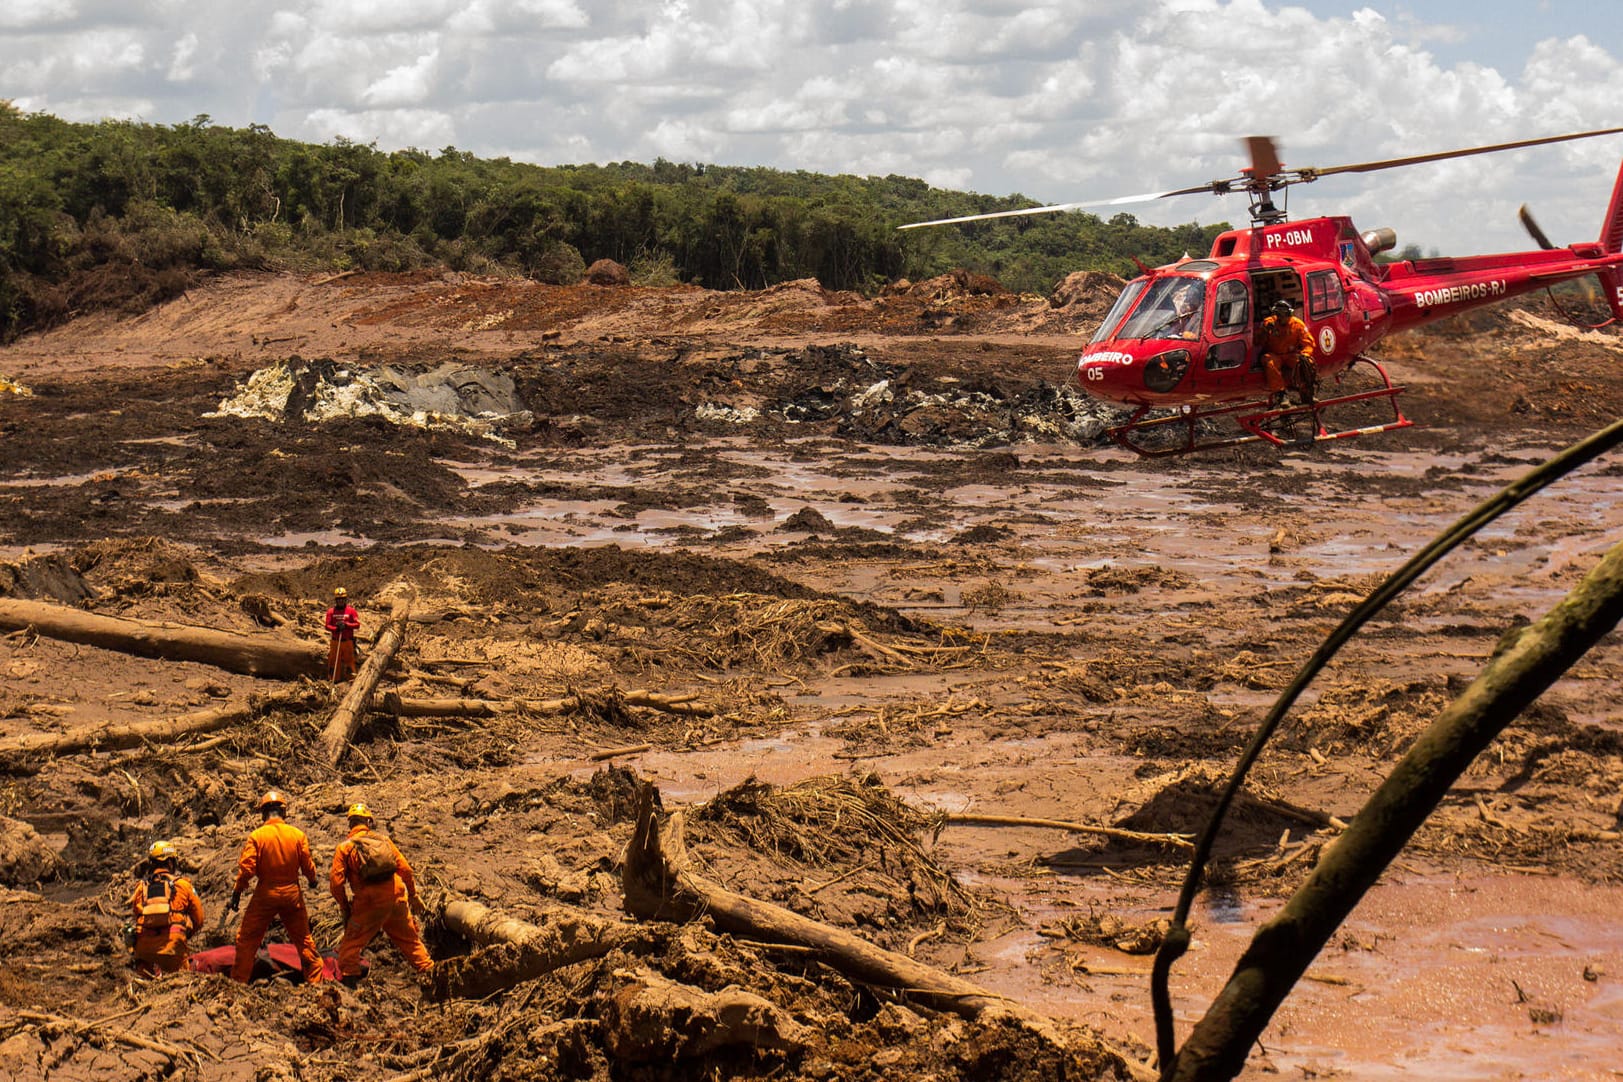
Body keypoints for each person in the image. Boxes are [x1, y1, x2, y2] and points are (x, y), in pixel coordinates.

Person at [329, 802, 434, 986]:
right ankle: (432, 974)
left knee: (350, 946)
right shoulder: (384, 841)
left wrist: (346, 908)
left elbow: (336, 884)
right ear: (369, 822)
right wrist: (413, 895)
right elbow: (406, 870)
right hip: (397, 896)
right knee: (411, 942)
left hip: (369, 903)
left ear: (350, 824)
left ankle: (350, 988)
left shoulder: (345, 848)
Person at [229, 790, 325, 984]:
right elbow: (307, 864)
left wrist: (237, 891)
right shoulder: (297, 835)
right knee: (304, 940)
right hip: (292, 894)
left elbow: (247, 869)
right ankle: (316, 983)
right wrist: (312, 880)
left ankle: (238, 983)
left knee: (247, 940)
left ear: (264, 813)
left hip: (266, 894)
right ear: (283, 812)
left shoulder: (257, 836)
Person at [128, 840, 205, 977]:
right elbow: (199, 919)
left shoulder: (140, 888)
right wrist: (186, 933)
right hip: (173, 946)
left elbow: (137, 916)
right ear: (170, 863)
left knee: (144, 977)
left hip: (144, 948)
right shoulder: (183, 885)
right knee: (182, 977)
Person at [1259, 299, 1315, 405]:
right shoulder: (1269, 323)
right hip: (1274, 355)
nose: (1281, 317)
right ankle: (1281, 394)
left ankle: (1306, 393)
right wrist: (1264, 331)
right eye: (1278, 314)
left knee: (1306, 363)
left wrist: (1306, 355)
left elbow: (1308, 343)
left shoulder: (1298, 325)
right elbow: (1257, 342)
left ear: (1289, 314)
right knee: (1269, 363)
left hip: (1290, 355)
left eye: (1283, 314)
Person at [325, 587, 360, 682]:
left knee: (349, 661)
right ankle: (333, 680)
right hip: (335, 642)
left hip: (348, 641)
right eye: (339, 599)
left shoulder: (351, 611)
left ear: (345, 599)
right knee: (333, 661)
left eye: (342, 599)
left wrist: (347, 625)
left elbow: (357, 625)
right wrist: (336, 628)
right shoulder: (331, 612)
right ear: (336, 600)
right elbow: (327, 626)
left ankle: (352, 680)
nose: (341, 601)